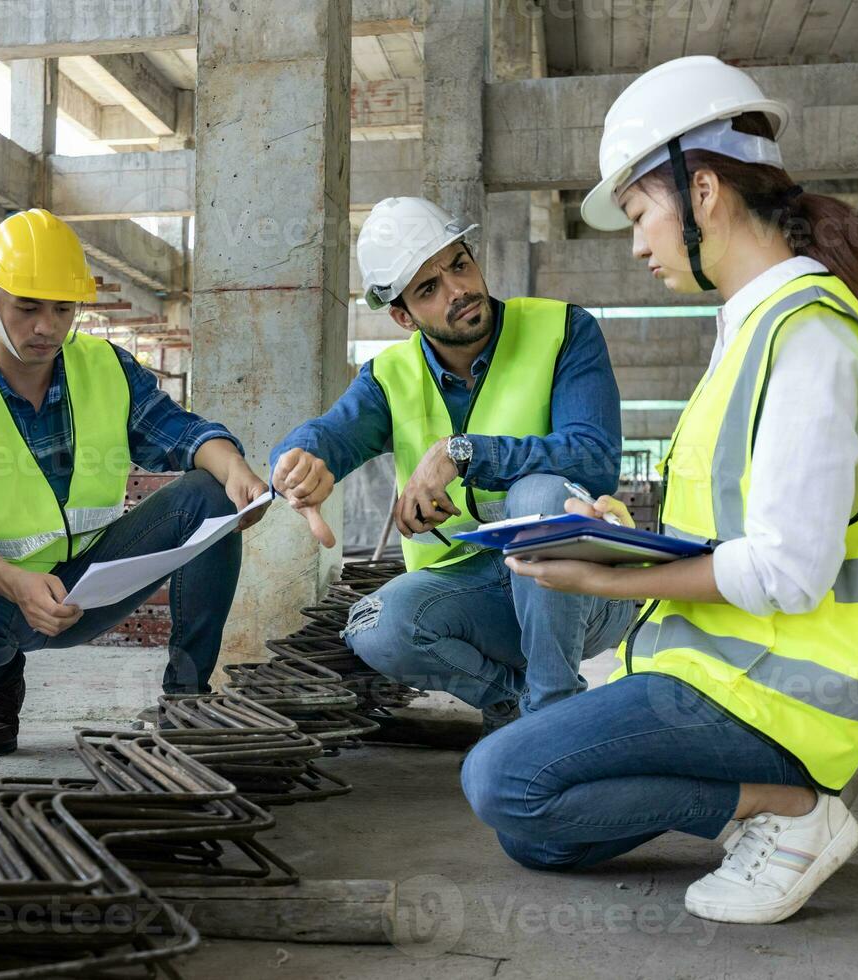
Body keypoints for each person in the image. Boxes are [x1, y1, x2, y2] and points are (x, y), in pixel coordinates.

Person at [463, 55, 858, 925]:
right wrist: (618, 528)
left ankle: (790, 811)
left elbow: (789, 572)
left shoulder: (807, 339)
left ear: (701, 192)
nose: (635, 243)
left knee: (501, 779)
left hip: (783, 702)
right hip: (719, 672)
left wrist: (610, 580)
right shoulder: (748, 331)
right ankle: (745, 805)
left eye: (637, 213)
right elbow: (734, 519)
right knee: (538, 831)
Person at [0, 208, 269, 757]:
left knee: (213, 494)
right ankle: (0, 679)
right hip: (2, 595)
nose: (46, 326)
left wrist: (236, 469)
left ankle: (187, 697)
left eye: (62, 308)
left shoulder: (105, 368)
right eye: (27, 307)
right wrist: (14, 583)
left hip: (96, 581)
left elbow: (184, 433)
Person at [271, 195, 632, 730]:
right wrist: (297, 462)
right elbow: (331, 434)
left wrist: (463, 452)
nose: (457, 289)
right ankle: (517, 703)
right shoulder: (389, 377)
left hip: (586, 590)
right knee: (376, 626)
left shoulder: (563, 331)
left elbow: (594, 458)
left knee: (539, 496)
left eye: (459, 264)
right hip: (473, 599)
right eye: (428, 288)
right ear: (402, 316)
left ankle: (554, 714)